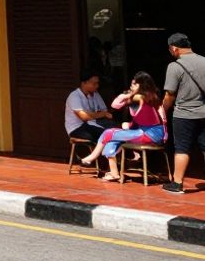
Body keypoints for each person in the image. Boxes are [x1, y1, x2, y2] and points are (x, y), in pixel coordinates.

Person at [80, 72, 166, 182]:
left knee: (108, 133)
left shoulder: (139, 97)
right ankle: (114, 173)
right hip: (147, 132)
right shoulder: (150, 96)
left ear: (141, 86)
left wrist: (128, 94)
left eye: (134, 85)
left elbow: (115, 104)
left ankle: (92, 157)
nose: (131, 87)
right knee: (112, 139)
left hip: (150, 134)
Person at [162, 33, 205, 194]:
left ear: (174, 48)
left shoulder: (175, 66)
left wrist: (163, 110)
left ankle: (177, 183)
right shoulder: (204, 61)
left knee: (182, 148)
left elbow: (169, 95)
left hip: (184, 115)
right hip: (204, 112)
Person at [66, 71, 114, 143]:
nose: (97, 86)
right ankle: (101, 154)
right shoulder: (74, 96)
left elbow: (104, 110)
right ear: (83, 83)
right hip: (77, 128)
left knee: (114, 131)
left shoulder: (95, 94)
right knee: (104, 135)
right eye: (94, 83)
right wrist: (102, 114)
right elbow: (84, 117)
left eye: (97, 83)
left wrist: (94, 114)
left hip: (92, 123)